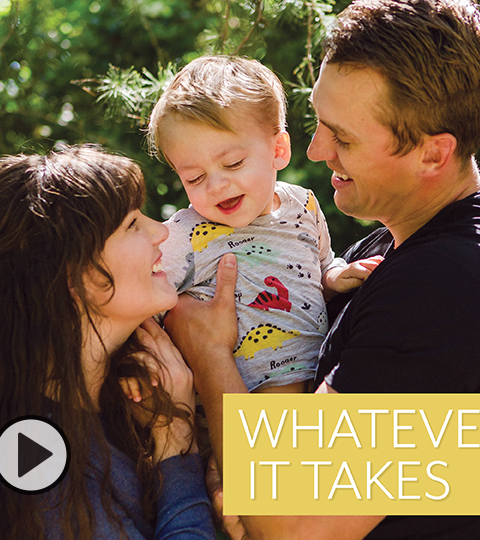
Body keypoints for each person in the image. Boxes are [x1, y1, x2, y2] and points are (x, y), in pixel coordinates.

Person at [162, 0, 480, 539]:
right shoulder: (406, 252)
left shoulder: (446, 290)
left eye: (344, 137)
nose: (315, 148)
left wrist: (209, 355)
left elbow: (290, 524)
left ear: (433, 154)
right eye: (317, 120)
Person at [0, 145, 216, 540]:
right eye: (133, 224)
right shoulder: (27, 453)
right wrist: (176, 449)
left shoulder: (137, 394)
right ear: (75, 277)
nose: (161, 230)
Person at [148, 55, 381, 394]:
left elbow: (317, 270)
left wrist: (335, 277)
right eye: (194, 178)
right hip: (231, 404)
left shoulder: (304, 206)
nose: (215, 185)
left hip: (319, 383)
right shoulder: (187, 235)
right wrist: (143, 356)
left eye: (233, 163)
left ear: (278, 150)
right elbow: (142, 302)